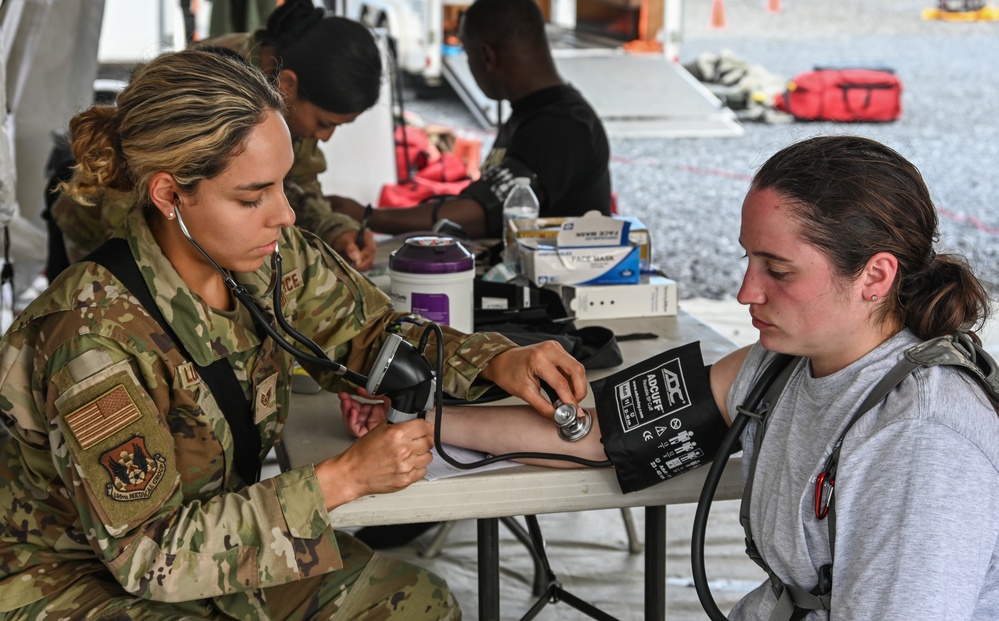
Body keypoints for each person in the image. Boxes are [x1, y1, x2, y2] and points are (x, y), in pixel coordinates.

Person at [0, 49, 590, 618]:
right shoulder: (91, 339)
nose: (284, 214)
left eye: (282, 184)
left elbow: (371, 333)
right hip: (74, 579)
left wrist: (494, 361)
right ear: (169, 194)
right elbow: (149, 554)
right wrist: (344, 478)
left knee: (416, 603)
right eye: (252, 196)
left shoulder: (269, 259)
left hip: (212, 537)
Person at [344, 135, 999, 619]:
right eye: (748, 259)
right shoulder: (778, 364)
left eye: (778, 269)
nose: (746, 290)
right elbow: (607, 435)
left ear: (875, 276)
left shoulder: (920, 439)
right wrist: (429, 422)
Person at [50, 0, 381, 273]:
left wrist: (336, 231)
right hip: (104, 228)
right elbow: (139, 214)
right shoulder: (204, 90)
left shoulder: (290, 98)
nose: (324, 137)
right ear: (289, 85)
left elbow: (298, 184)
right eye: (325, 123)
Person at [331, 0, 613, 240]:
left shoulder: (561, 127)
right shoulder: (531, 113)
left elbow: (480, 213)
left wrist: (369, 216)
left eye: (467, 53)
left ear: (487, 56)